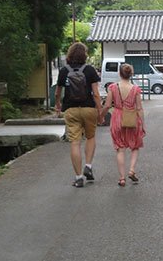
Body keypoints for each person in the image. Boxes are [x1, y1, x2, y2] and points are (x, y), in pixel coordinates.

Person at [54, 42, 103, 188]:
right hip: (89, 109)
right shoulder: (89, 70)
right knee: (90, 137)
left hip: (71, 110)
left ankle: (78, 177)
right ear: (85, 55)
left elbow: (57, 92)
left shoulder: (64, 71)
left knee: (75, 142)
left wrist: (58, 105)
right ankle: (88, 165)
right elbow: (95, 93)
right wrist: (100, 111)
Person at [101, 63, 145, 187]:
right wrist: (142, 124)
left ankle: (122, 178)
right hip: (131, 118)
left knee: (120, 149)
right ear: (131, 74)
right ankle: (131, 170)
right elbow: (139, 108)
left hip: (117, 117)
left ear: (119, 74)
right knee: (135, 146)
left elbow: (108, 105)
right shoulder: (136, 89)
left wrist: (101, 116)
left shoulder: (112, 87)